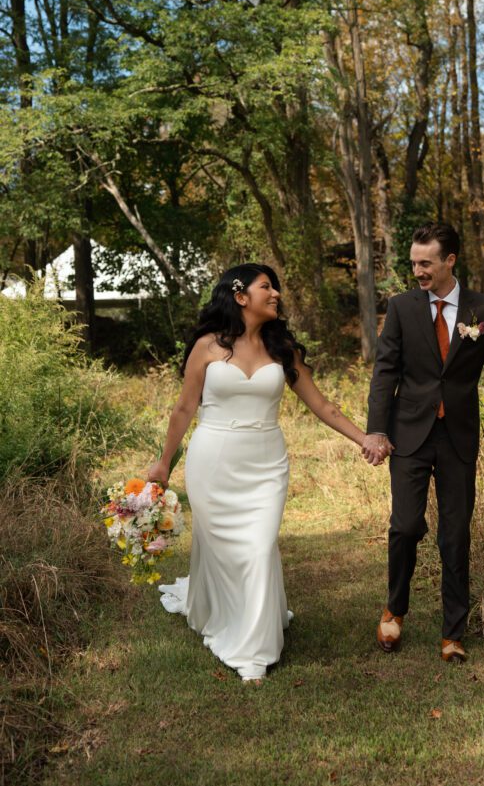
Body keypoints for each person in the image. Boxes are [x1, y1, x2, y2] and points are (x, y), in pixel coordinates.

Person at [149, 263, 378, 684]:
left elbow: (322, 405)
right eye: (266, 287)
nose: (275, 294)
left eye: (275, 288)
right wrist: (163, 463)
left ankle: (253, 648)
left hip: (266, 463)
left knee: (258, 547)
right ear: (240, 297)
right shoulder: (207, 348)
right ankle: (224, 616)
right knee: (221, 550)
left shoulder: (282, 348)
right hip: (213, 460)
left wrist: (363, 438)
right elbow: (184, 409)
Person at [361, 222, 484, 663]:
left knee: (455, 535)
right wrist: (377, 429)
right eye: (414, 263)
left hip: (458, 438)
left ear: (450, 261)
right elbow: (385, 373)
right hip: (409, 434)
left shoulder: (483, 308)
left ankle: (453, 633)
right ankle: (395, 608)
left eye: (426, 263)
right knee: (406, 525)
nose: (418, 271)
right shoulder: (401, 308)